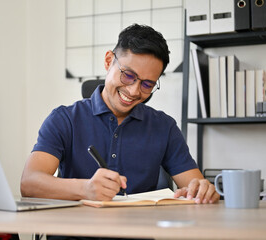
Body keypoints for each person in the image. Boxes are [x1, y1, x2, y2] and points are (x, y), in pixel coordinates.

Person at [21, 24, 219, 239]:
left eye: (147, 84)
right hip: (72, 235)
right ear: (108, 61)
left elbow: (194, 185)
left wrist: (202, 190)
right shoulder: (64, 119)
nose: (134, 91)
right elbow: (29, 183)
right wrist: (85, 189)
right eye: (128, 76)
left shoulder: (164, 126)